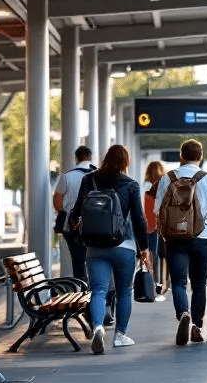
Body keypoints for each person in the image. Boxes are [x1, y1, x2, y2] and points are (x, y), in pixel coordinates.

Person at [67, 144, 151, 354]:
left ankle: (97, 328)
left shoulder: (90, 179)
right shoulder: (131, 184)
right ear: (126, 162)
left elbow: (76, 212)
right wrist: (145, 248)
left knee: (98, 290)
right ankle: (121, 335)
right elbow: (140, 219)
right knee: (124, 292)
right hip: (125, 245)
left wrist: (79, 236)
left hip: (95, 246)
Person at [154, 139, 207, 346]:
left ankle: (183, 313)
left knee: (178, 282)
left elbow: (157, 211)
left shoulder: (166, 179)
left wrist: (164, 234)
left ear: (181, 156)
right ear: (200, 157)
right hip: (201, 238)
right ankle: (196, 325)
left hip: (174, 239)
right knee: (199, 284)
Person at [53, 145, 95, 280]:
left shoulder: (67, 176)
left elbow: (57, 200)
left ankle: (82, 289)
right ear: (90, 157)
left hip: (72, 226)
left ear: (76, 158)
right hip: (97, 226)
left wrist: (63, 211)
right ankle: (95, 290)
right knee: (95, 259)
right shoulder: (99, 175)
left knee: (78, 261)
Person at [143, 160, 166, 286]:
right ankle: (160, 281)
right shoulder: (166, 186)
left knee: (152, 255)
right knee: (162, 255)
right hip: (163, 228)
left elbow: (147, 212)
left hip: (151, 228)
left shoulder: (148, 188)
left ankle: (154, 281)